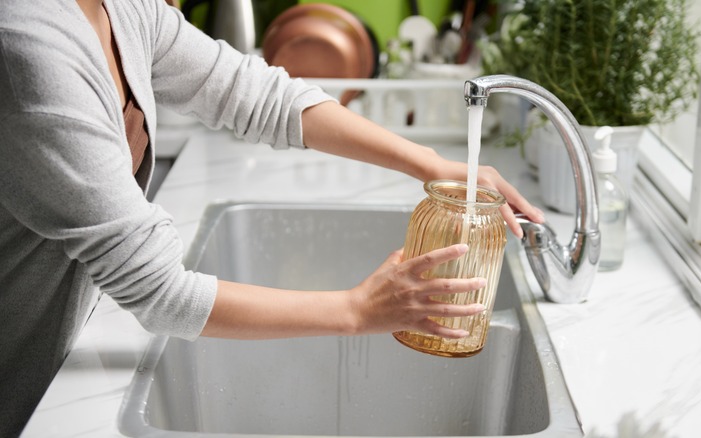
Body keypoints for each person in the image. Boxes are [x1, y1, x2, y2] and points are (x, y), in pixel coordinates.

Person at [0, 0, 544, 435]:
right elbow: (161, 292)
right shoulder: (30, 50)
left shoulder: (119, 8)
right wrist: (356, 310)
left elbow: (254, 95)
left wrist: (435, 166)